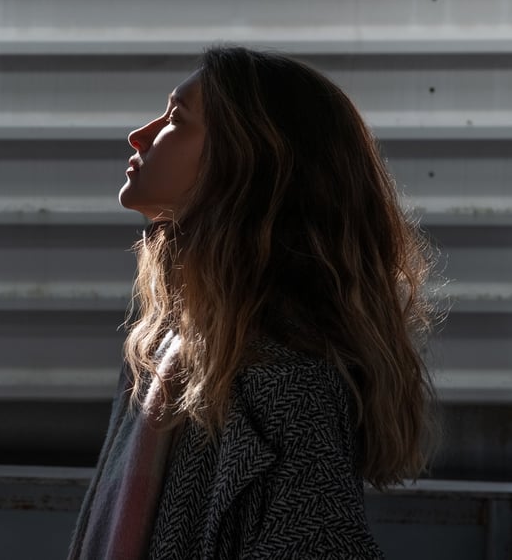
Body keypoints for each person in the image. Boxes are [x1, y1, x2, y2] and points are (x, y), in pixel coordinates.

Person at [67, 46, 441, 559]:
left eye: (177, 117)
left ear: (248, 161)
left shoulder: (287, 375)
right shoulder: (169, 344)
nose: (141, 136)